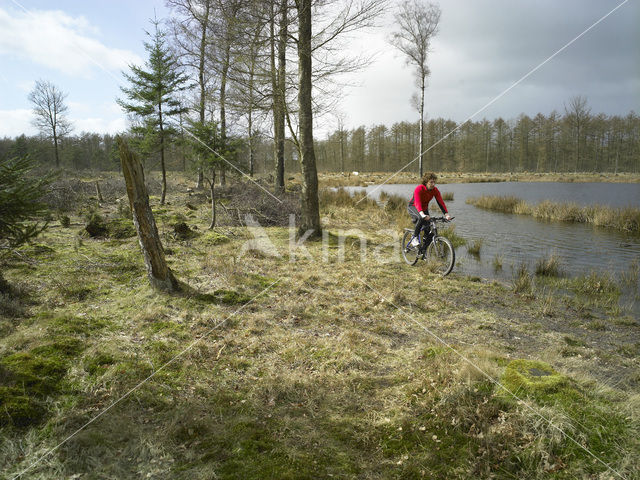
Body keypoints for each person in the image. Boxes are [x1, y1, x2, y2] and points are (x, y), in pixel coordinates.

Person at [407, 172, 451, 247]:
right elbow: (417, 202)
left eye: (434, 182)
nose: (433, 184)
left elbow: (440, 202)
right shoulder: (419, 189)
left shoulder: (435, 190)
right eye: (431, 182)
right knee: (420, 218)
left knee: (428, 229)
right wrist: (422, 214)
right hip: (413, 207)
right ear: (426, 182)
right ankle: (414, 237)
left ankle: (423, 251)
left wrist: (446, 214)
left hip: (424, 209)